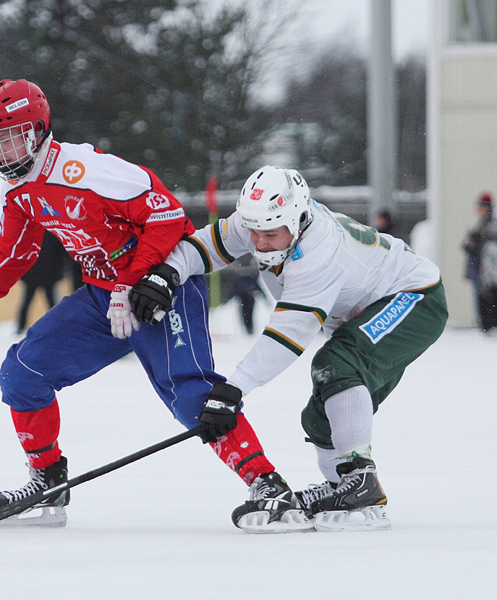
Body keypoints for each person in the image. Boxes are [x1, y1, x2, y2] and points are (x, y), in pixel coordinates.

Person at [0, 80, 311, 531]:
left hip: (158, 289)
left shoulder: (86, 169)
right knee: (22, 372)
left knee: (191, 396)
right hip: (100, 295)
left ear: (35, 131)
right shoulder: (19, 192)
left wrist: (138, 280)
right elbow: (12, 254)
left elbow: (168, 215)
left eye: (7, 136)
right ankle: (48, 484)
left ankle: (269, 487)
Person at [130, 165, 447, 531]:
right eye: (253, 232)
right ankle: (341, 487)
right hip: (370, 308)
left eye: (270, 234)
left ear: (297, 221)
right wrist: (166, 274)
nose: (259, 243)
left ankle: (360, 480)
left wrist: (234, 389)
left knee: (337, 363)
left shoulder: (319, 252)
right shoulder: (259, 222)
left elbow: (289, 334)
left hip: (416, 296)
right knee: (320, 414)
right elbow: (203, 247)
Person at [15, 230, 66, 333]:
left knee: (50, 304)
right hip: (43, 275)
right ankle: (57, 326)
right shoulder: (52, 233)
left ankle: (20, 327)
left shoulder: (31, 233)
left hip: (39, 275)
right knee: (51, 305)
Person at [463, 192, 495, 331]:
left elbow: (484, 247)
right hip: (480, 270)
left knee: (486, 298)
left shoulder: (489, 225)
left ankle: (488, 325)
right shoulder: (484, 224)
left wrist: (473, 243)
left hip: (485, 271)